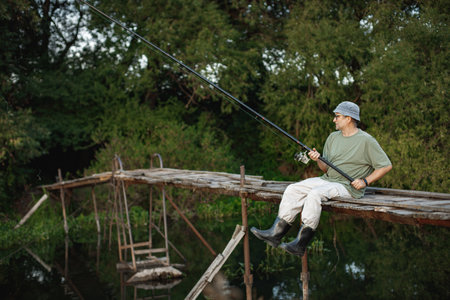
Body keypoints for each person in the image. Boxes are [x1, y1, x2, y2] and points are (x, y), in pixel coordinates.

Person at [251, 101, 392, 256]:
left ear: (349, 118)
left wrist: (365, 181)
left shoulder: (367, 141)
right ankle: (276, 234)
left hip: (348, 187)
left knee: (315, 193)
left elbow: (385, 166)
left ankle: (300, 244)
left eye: (337, 116)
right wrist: (318, 158)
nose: (334, 120)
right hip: (328, 180)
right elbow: (325, 168)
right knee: (293, 189)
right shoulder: (333, 137)